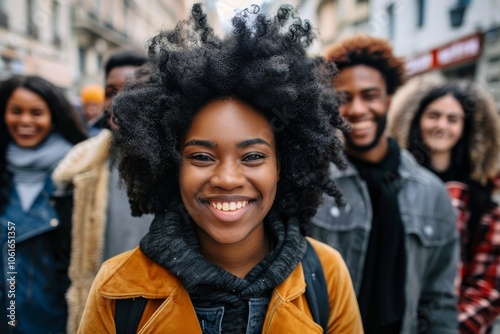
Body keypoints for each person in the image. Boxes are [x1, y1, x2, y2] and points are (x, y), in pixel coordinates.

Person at [77, 4, 363, 333]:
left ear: (282, 166)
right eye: (201, 157)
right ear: (173, 166)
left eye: (253, 156)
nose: (227, 179)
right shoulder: (118, 287)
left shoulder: (325, 275)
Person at [309, 35, 460, 333]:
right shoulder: (313, 182)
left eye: (370, 95)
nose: (357, 109)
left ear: (388, 100)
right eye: (343, 98)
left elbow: (438, 299)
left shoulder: (432, 193)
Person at [388, 76, 500, 334]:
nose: (442, 125)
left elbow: (490, 286)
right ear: (415, 119)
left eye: (453, 119)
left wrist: (448, 327)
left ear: (466, 127)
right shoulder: (393, 182)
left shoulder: (481, 201)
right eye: (433, 115)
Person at [52, 48, 150, 333]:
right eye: (111, 91)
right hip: (99, 313)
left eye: (134, 89)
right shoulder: (79, 168)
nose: (118, 101)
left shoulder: (185, 165)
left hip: (163, 312)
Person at [0, 75, 88, 333]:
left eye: (36, 112)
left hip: (51, 321)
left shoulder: (79, 176)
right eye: (16, 111)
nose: (25, 121)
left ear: (53, 118)